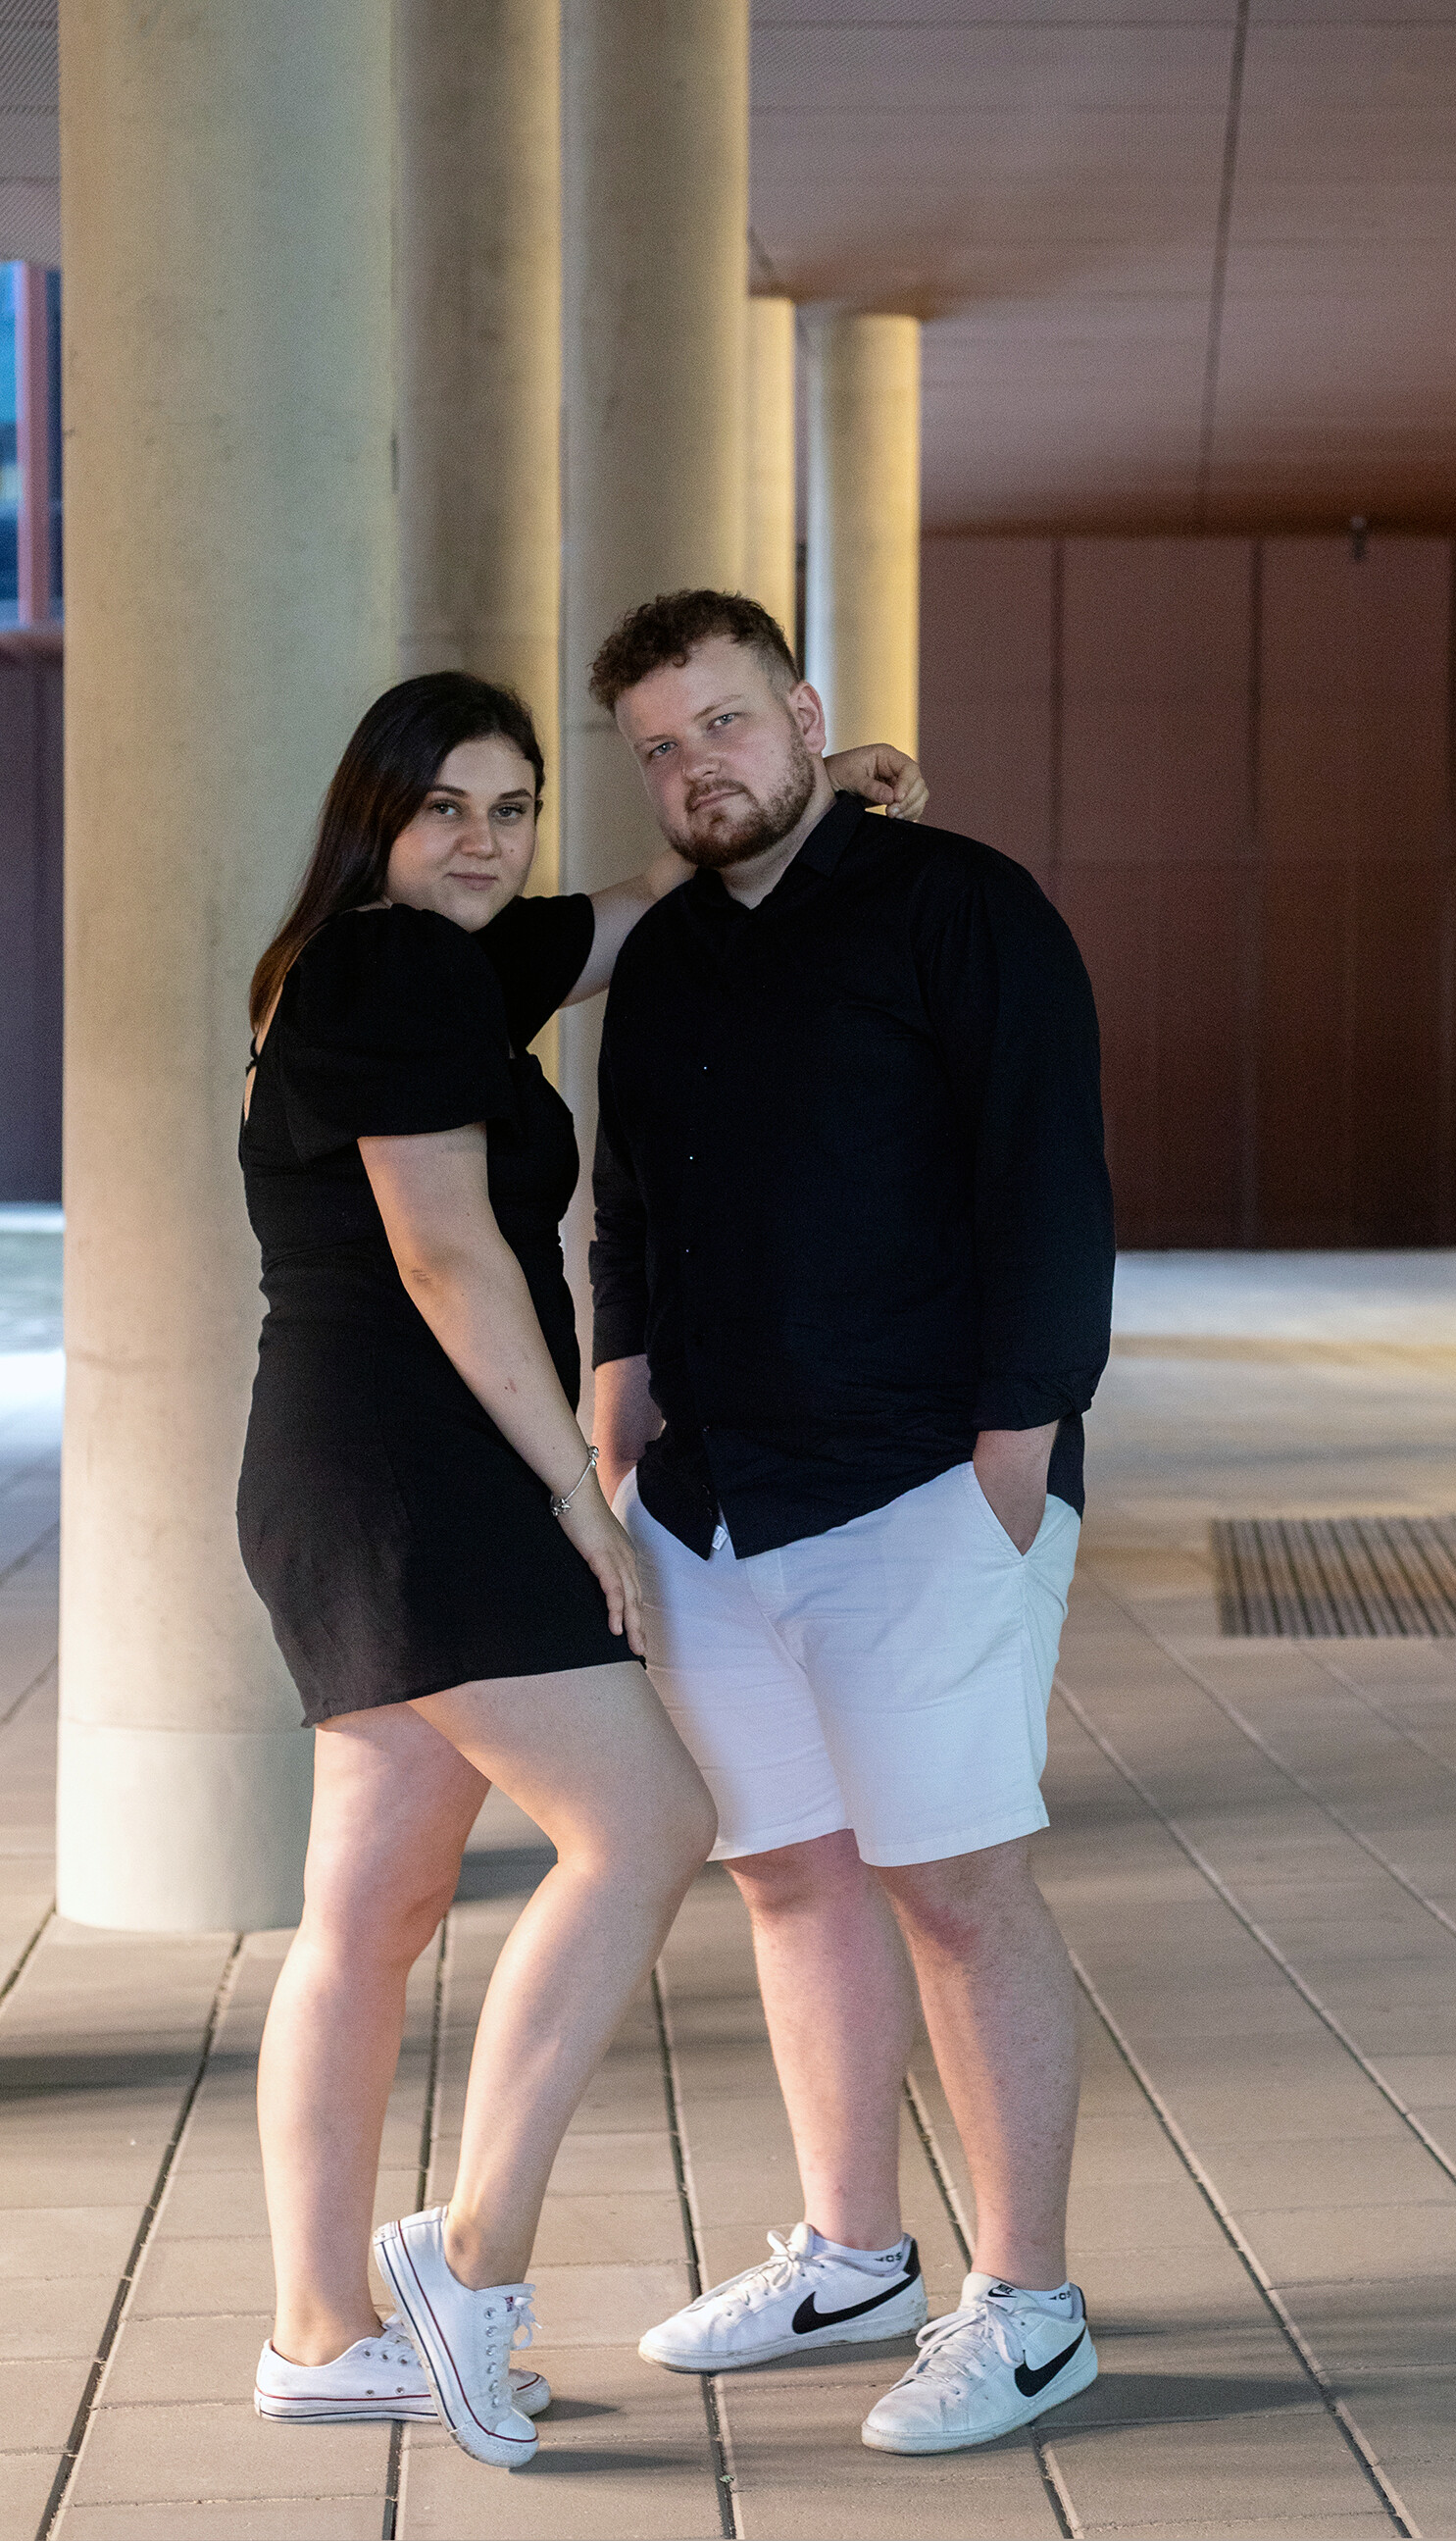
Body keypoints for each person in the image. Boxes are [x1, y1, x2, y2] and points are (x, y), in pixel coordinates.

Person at [236, 668, 924, 2471]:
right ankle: (469, 2259)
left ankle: (320, 2336)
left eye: (514, 807)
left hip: (350, 1469)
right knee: (646, 1823)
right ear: (375, 817)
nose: (485, 841)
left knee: (369, 1914)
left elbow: (624, 912)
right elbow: (448, 1255)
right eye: (445, 807)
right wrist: (576, 1495)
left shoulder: (432, 958)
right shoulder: (393, 969)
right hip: (422, 1473)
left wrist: (818, 786)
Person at [588, 590, 1117, 2456]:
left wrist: (1012, 1461)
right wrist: (620, 1403)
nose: (697, 767)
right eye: (659, 746)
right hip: (710, 1502)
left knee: (956, 1888)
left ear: (807, 715)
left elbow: (1049, 1182)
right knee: (789, 1872)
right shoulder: (664, 954)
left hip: (920, 1488)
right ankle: (852, 2256)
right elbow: (627, 1208)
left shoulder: (964, 907)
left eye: (725, 721)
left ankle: (1030, 2307)